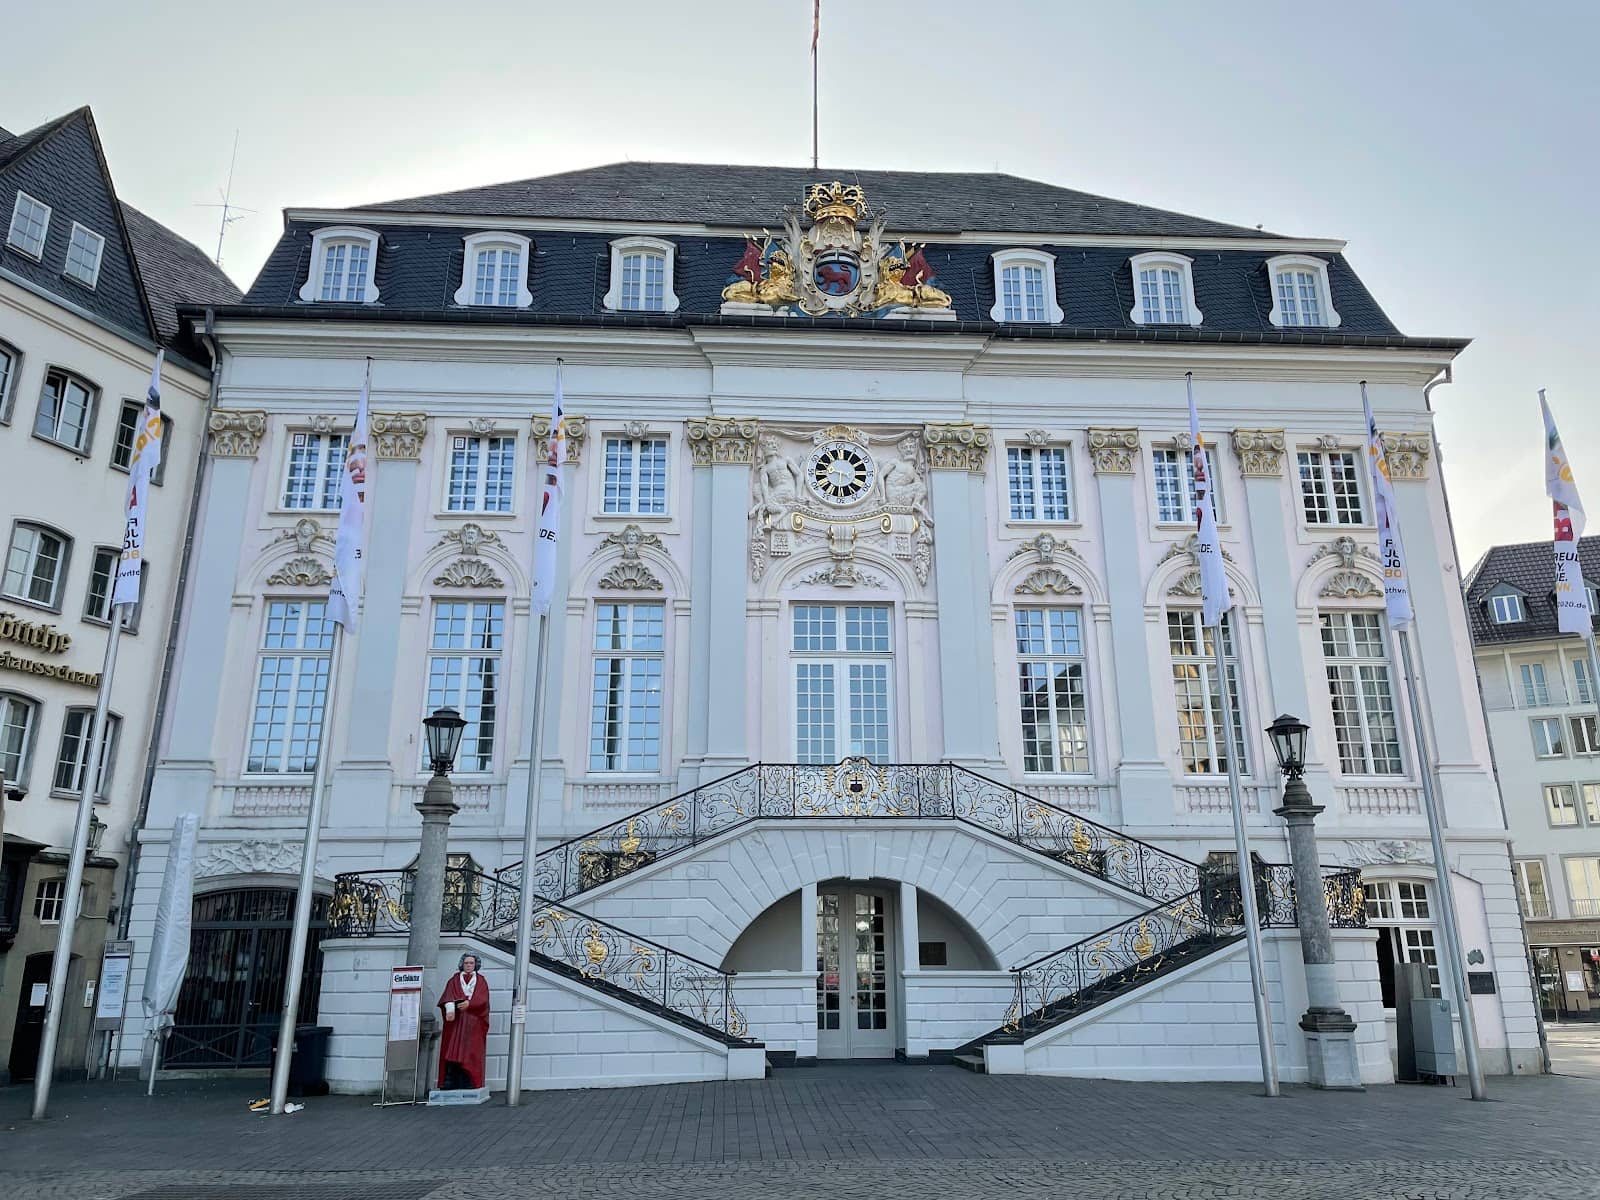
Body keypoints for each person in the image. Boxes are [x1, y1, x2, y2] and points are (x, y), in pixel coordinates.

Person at [436, 952, 489, 1090]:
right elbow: (447, 997)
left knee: (471, 1052)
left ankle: (469, 1079)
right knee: (451, 1050)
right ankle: (450, 1080)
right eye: (466, 963)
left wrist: (469, 1005)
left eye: (471, 963)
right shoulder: (453, 981)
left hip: (472, 1024)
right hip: (456, 1023)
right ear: (462, 964)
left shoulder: (481, 981)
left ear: (476, 965)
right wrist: (450, 1010)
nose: (469, 966)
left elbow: (483, 1000)